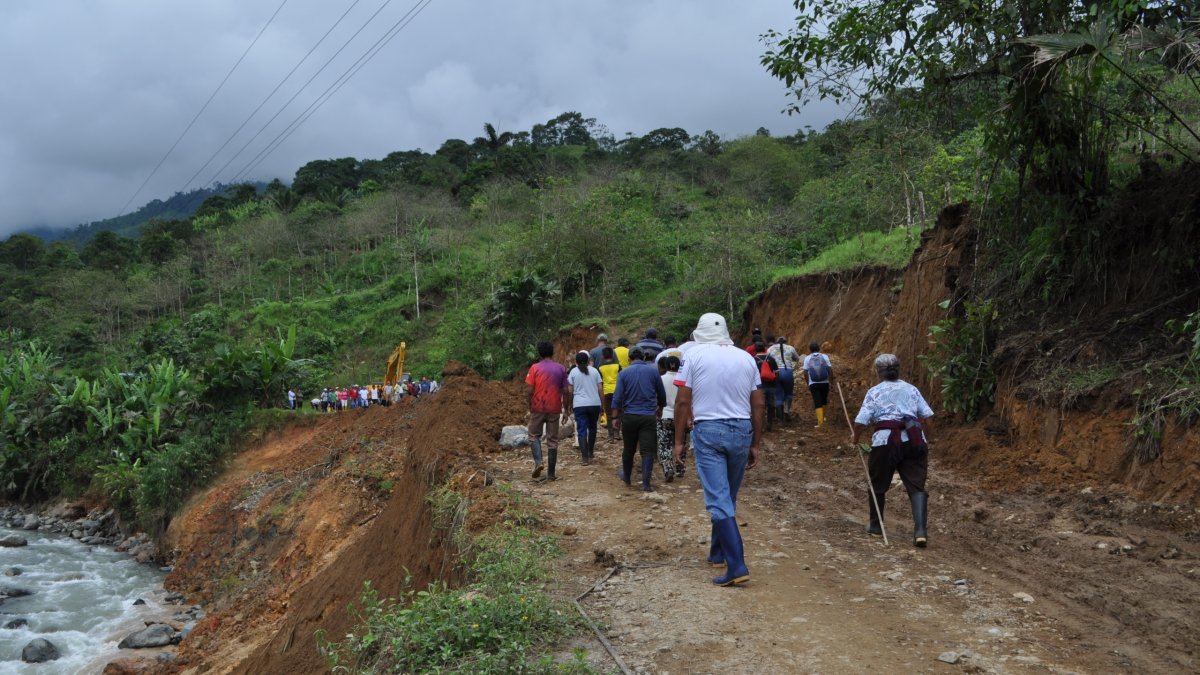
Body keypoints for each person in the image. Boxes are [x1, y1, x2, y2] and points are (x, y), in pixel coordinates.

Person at [672, 312, 762, 586]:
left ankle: (737, 566)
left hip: (709, 431)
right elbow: (758, 404)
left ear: (699, 334)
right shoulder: (747, 359)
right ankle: (717, 553)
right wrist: (756, 442)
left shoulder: (694, 357)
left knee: (718, 499)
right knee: (727, 496)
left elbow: (683, 402)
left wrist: (678, 441)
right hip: (742, 429)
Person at [851, 353, 935, 547]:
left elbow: (861, 421)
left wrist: (855, 438)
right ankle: (920, 531)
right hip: (914, 440)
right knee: (916, 486)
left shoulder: (875, 392)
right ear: (898, 370)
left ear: (878, 372)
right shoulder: (911, 389)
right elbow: (929, 418)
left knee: (877, 484)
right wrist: (925, 439)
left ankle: (875, 525)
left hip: (885, 441)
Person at [611, 347, 666, 492]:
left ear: (629, 359)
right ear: (643, 358)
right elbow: (661, 394)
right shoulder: (653, 372)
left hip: (629, 416)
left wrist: (615, 417)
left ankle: (627, 477)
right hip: (648, 416)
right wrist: (660, 408)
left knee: (628, 449)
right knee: (647, 451)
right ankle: (646, 484)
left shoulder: (623, 373)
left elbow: (617, 397)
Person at [525, 341, 569, 480]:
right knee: (552, 440)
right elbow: (566, 391)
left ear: (539, 353)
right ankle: (551, 474)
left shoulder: (534, 368)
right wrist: (566, 410)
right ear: (553, 352)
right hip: (554, 407)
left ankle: (539, 462)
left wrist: (529, 405)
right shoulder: (561, 368)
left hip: (538, 406)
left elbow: (529, 390)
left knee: (533, 436)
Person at [567, 350, 604, 465]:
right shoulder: (595, 371)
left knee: (582, 430)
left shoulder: (573, 372)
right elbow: (600, 389)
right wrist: (602, 405)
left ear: (576, 362)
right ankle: (590, 452)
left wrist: (569, 404)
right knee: (593, 428)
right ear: (588, 361)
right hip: (594, 404)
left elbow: (570, 391)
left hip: (580, 405)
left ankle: (584, 458)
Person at [656, 355, 683, 481]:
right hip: (680, 417)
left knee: (664, 444)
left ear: (665, 366)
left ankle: (668, 468)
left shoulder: (660, 379)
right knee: (681, 442)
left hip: (664, 415)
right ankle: (680, 467)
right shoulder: (683, 380)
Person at [768, 337, 802, 423]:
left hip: (776, 373)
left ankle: (780, 419)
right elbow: (797, 359)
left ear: (776, 342)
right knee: (789, 393)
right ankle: (786, 411)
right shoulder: (790, 348)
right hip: (788, 372)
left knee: (778, 396)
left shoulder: (771, 348)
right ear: (786, 342)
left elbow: (767, 359)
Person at [803, 341, 833, 427]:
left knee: (817, 401)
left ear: (810, 350)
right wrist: (831, 381)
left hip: (813, 383)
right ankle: (823, 418)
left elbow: (805, 372)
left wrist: (808, 382)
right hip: (825, 382)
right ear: (819, 349)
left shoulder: (807, 358)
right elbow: (829, 369)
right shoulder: (824, 356)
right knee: (824, 400)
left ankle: (820, 423)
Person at [753, 342, 779, 431]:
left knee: (761, 406)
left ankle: (762, 426)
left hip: (759, 387)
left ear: (755, 349)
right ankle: (770, 423)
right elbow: (776, 372)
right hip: (771, 385)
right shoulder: (771, 359)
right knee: (771, 405)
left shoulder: (754, 360)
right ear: (765, 349)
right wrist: (775, 382)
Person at [598, 346, 622, 441]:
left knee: (608, 413)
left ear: (603, 356)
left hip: (606, 391)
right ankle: (617, 433)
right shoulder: (617, 366)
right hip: (617, 391)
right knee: (618, 412)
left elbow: (600, 382)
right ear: (612, 355)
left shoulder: (600, 368)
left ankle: (610, 435)